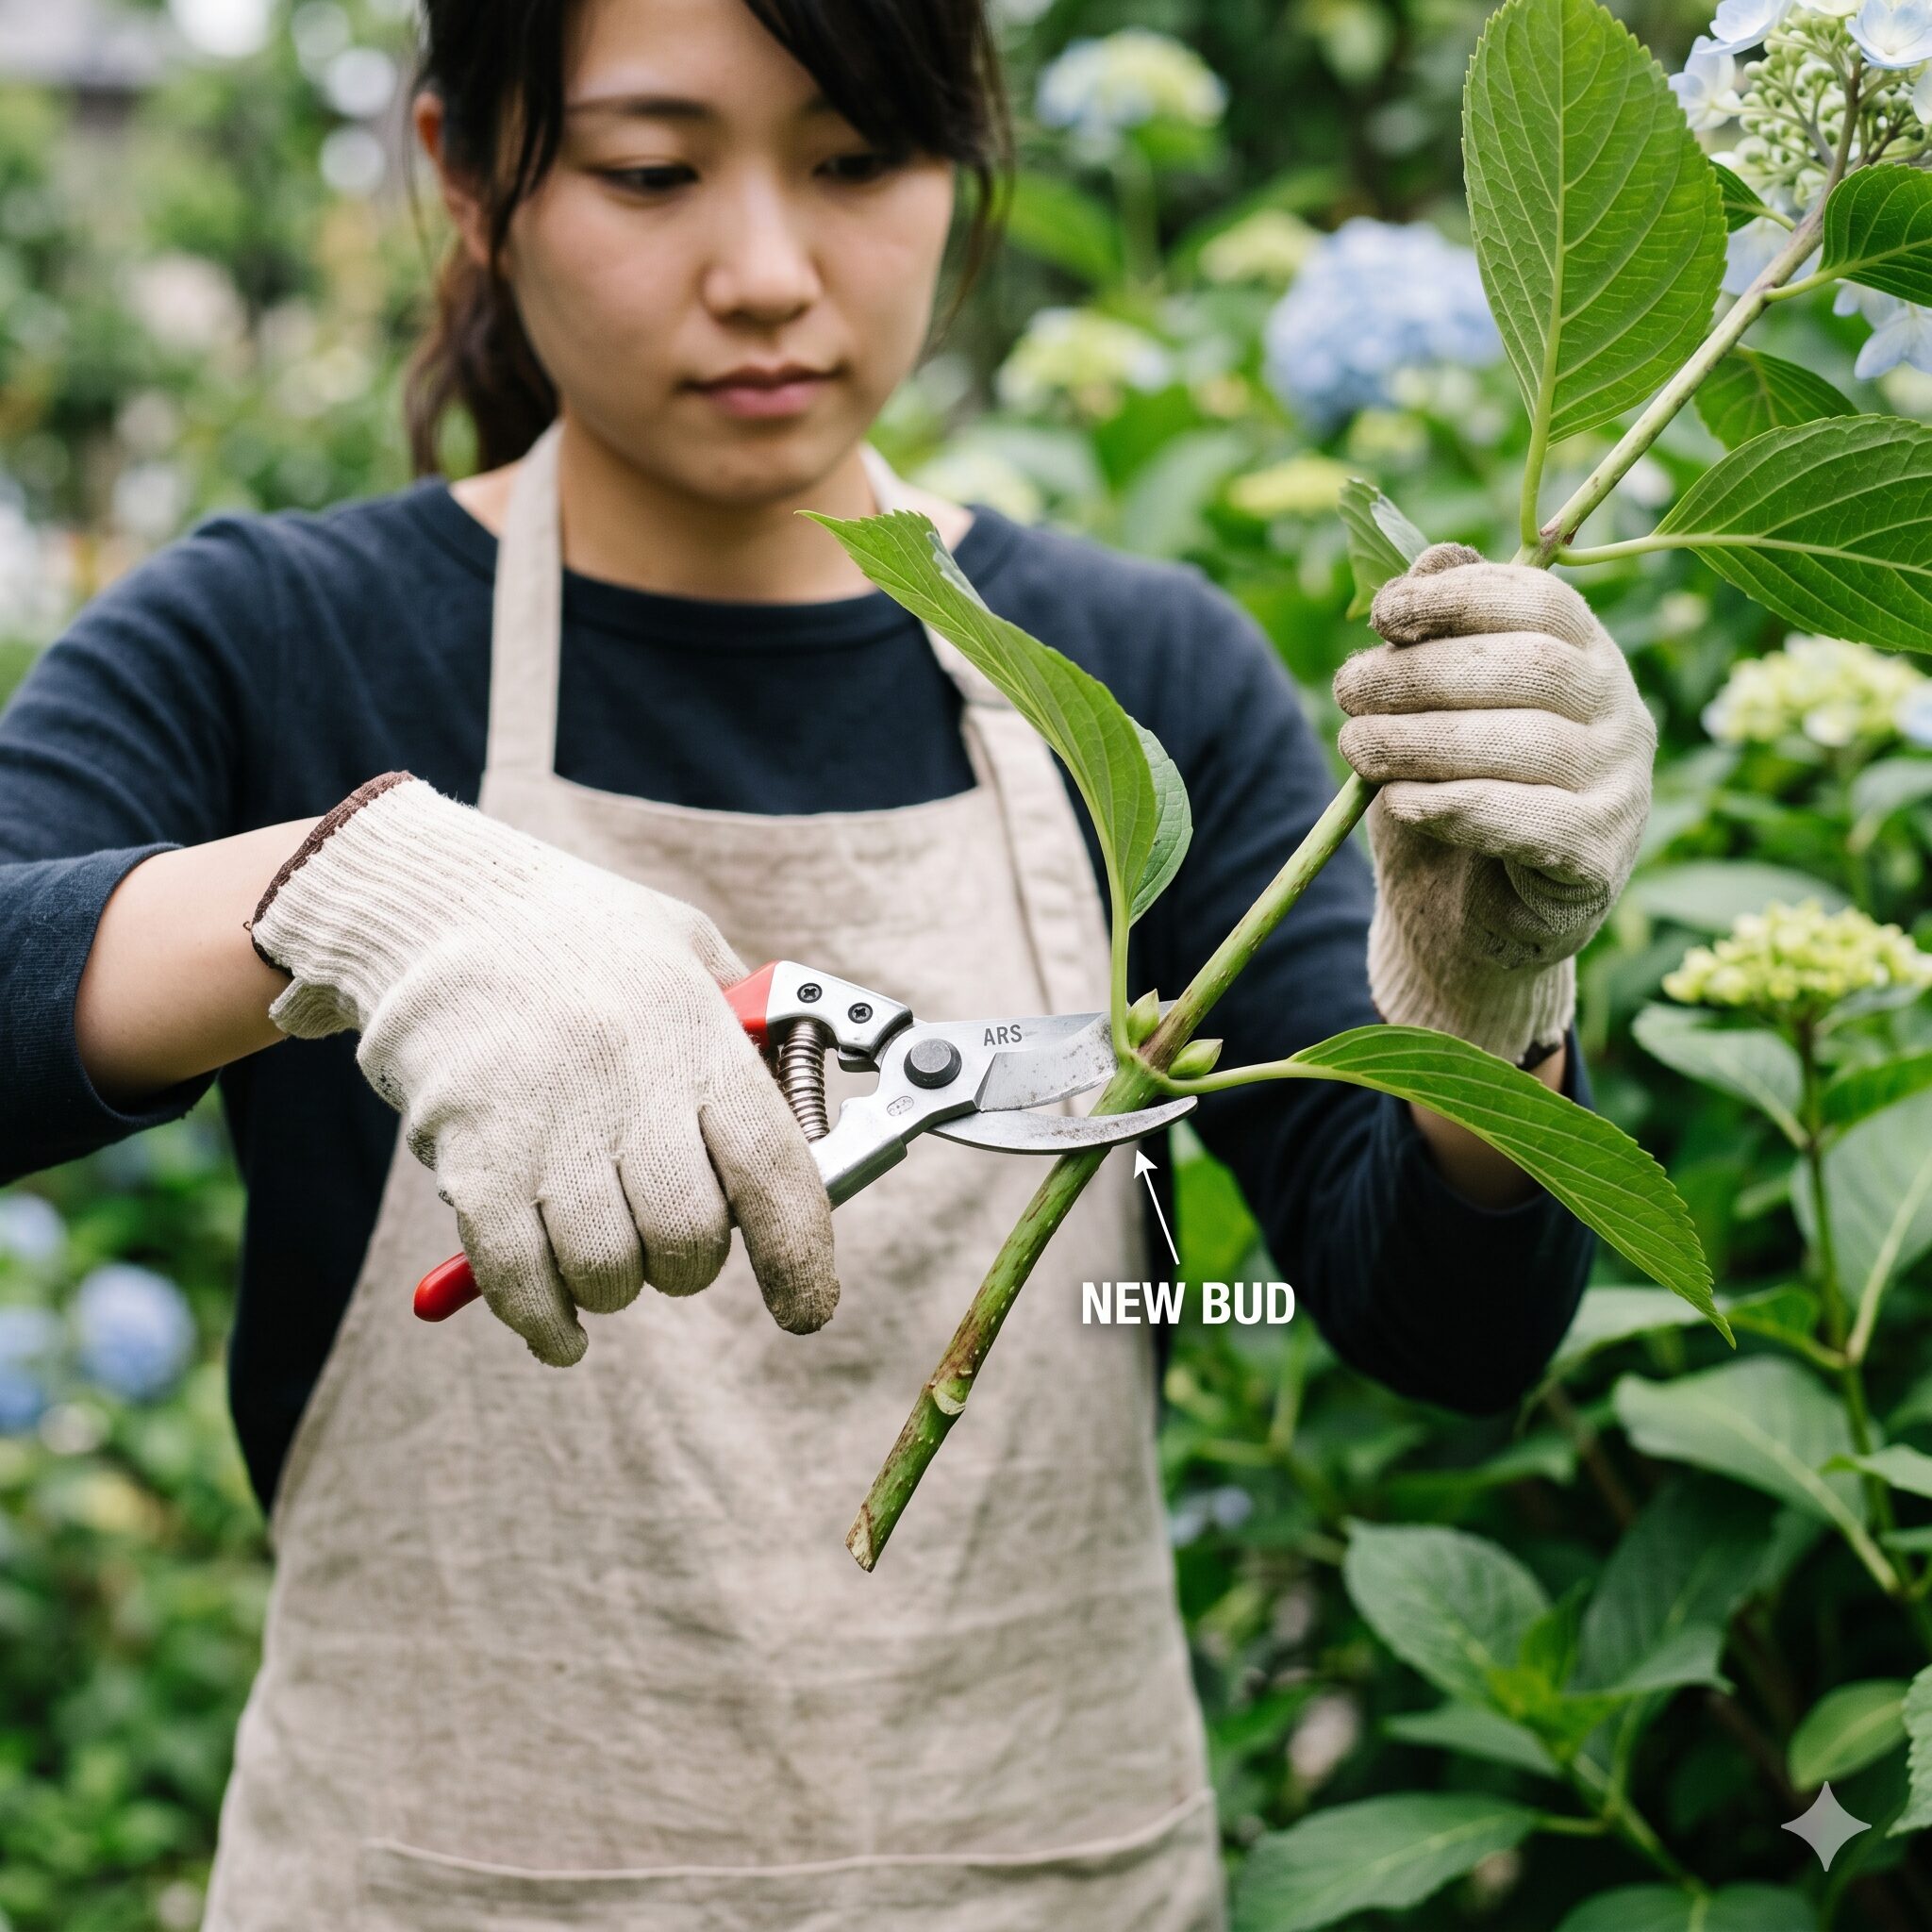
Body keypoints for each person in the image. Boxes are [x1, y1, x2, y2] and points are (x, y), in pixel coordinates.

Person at [0, 1, 1657, 1924]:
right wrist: (344, 891)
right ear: (468, 172)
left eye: (857, 159)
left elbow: (1433, 1326)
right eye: (649, 168)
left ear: (963, 169)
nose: (770, 272)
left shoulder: (1137, 669)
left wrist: (1482, 1003)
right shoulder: (282, 642)